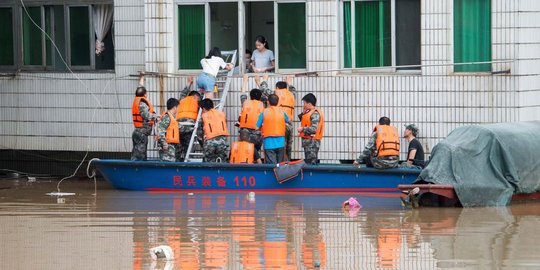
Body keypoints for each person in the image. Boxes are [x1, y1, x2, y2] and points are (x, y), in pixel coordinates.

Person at [131, 74, 160, 160]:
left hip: (138, 132)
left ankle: (134, 169)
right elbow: (145, 115)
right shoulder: (142, 103)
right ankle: (137, 171)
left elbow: (140, 88)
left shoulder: (137, 99)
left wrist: (142, 78)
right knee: (140, 156)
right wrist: (156, 116)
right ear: (145, 94)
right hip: (141, 133)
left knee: (137, 153)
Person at [256, 94, 289, 164]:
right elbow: (288, 120)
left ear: (268, 102)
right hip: (281, 142)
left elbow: (256, 127)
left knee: (271, 166)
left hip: (269, 143)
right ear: (277, 102)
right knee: (281, 165)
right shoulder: (282, 112)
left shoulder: (264, 112)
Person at [176, 77, 202, 162]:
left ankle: (177, 163)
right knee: (188, 148)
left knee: (178, 147)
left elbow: (184, 92)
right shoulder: (197, 102)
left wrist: (189, 82)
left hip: (178, 126)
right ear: (196, 96)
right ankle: (188, 164)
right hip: (189, 127)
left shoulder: (182, 99)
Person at [238, 82, 265, 155]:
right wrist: (259, 81)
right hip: (258, 134)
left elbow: (243, 93)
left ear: (250, 96)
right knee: (255, 153)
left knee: (246, 153)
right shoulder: (263, 105)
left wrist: (245, 80)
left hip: (245, 134)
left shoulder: (245, 103)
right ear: (260, 97)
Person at [297, 93, 324, 164]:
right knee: (309, 162)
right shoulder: (308, 112)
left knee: (311, 163)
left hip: (312, 143)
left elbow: (314, 129)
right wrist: (303, 113)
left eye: (304, 103)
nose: (303, 105)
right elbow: (305, 121)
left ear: (309, 104)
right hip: (309, 143)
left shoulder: (315, 113)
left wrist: (302, 129)